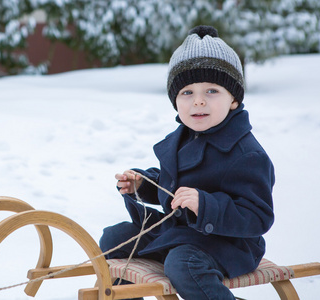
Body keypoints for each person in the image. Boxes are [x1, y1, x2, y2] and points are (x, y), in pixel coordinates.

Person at [99, 25, 275, 300]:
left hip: (227, 244)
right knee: (115, 238)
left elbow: (257, 216)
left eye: (212, 91)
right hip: (180, 235)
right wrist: (144, 184)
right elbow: (173, 185)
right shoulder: (182, 139)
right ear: (175, 101)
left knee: (183, 263)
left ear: (233, 99)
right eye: (187, 93)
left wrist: (205, 205)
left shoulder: (246, 154)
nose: (199, 102)